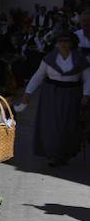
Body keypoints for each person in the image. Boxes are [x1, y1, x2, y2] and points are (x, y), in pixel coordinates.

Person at [22, 30, 90, 166]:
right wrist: (28, 92)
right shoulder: (49, 59)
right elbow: (38, 76)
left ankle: (65, 153)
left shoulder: (80, 59)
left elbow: (88, 78)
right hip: (52, 95)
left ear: (72, 43)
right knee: (52, 125)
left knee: (69, 125)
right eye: (60, 42)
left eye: (66, 41)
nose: (63, 44)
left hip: (72, 95)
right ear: (56, 44)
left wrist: (86, 94)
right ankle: (52, 155)